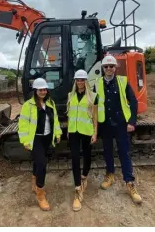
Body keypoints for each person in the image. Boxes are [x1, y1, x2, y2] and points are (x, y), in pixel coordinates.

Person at [93, 55, 143, 204]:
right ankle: (110, 175)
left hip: (121, 124)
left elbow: (133, 101)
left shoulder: (122, 81)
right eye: (106, 66)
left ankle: (129, 183)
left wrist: (132, 121)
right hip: (105, 124)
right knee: (107, 151)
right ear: (103, 68)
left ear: (116, 68)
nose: (109, 68)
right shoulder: (97, 83)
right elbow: (94, 105)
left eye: (111, 66)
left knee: (124, 153)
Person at [17, 77, 62, 211]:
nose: (43, 91)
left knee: (38, 161)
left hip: (47, 137)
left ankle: (34, 180)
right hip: (35, 138)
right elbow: (23, 124)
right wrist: (25, 140)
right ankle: (40, 193)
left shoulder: (51, 103)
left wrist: (58, 133)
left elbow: (55, 120)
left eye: (44, 89)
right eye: (40, 89)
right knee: (42, 164)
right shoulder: (28, 105)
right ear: (35, 91)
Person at [66, 69, 98, 212]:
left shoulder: (93, 96)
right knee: (74, 158)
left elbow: (95, 117)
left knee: (87, 155)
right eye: (77, 80)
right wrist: (67, 129)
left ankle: (85, 175)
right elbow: (70, 114)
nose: (79, 82)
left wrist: (95, 133)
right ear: (75, 81)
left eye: (82, 80)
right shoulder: (70, 95)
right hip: (73, 131)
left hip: (86, 131)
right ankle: (78, 188)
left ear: (85, 81)